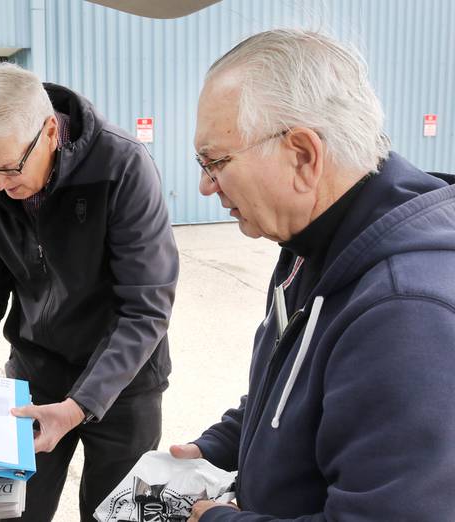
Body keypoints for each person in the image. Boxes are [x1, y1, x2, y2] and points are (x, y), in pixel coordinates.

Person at [170, 29, 455, 521]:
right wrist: (223, 444)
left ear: (303, 155)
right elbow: (297, 389)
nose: (204, 185)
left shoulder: (403, 310)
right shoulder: (311, 241)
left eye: (215, 161)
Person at [0, 63, 179, 521]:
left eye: (9, 168)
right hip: (37, 371)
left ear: (51, 130)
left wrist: (81, 404)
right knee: (19, 511)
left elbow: (146, 306)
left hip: (124, 381)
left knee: (114, 515)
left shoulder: (122, 165)